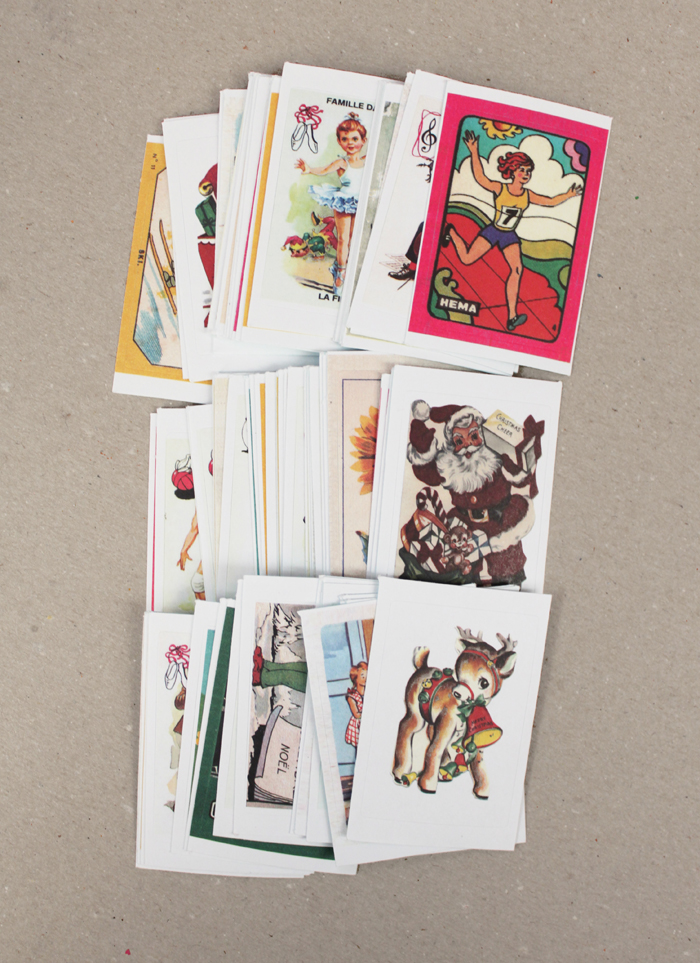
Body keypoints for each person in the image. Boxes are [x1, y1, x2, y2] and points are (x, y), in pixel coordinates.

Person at [444, 130, 582, 331]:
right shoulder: (500, 188)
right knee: (466, 259)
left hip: (509, 235)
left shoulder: (527, 194)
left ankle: (511, 317)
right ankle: (451, 232)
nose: (526, 174)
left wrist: (568, 194)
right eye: (522, 170)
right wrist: (474, 151)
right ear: (512, 170)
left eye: (528, 171)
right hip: (494, 231)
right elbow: (480, 178)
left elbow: (550, 202)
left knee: (517, 270)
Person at [295, 113, 367, 290]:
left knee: (354, 239)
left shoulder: (368, 161)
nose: (350, 143)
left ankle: (349, 271)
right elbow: (324, 170)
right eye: (345, 139)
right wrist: (309, 169)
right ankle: (340, 272)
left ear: (363, 141)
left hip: (360, 201)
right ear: (339, 142)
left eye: (355, 139)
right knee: (343, 239)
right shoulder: (342, 162)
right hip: (344, 201)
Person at [345, 662, 368, 750]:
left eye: (367, 675)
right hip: (358, 726)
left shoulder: (369, 693)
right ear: (356, 678)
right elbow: (357, 714)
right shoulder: (352, 696)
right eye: (362, 675)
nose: (365, 678)